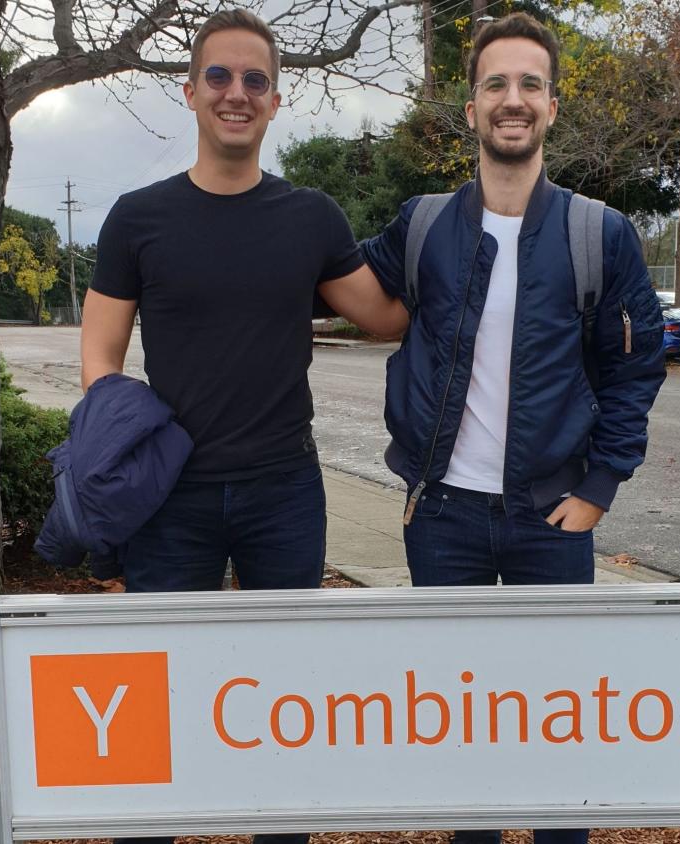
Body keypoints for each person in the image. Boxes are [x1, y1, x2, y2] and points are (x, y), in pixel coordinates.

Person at [80, 9, 407, 844]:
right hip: (170, 496)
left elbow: (385, 317)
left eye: (254, 80)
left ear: (275, 100)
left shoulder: (312, 218)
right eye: (219, 77)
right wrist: (117, 461)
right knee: (161, 701)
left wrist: (473, 243)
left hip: (282, 492)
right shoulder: (136, 218)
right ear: (190, 92)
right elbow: (100, 358)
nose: (236, 93)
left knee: (284, 702)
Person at [361, 13, 667, 844]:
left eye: (530, 83)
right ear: (470, 109)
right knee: (467, 744)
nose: (513, 99)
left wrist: (600, 486)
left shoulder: (598, 233)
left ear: (553, 107)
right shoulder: (423, 226)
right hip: (446, 524)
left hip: (551, 521)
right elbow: (336, 280)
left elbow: (638, 366)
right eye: (496, 83)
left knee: (557, 742)